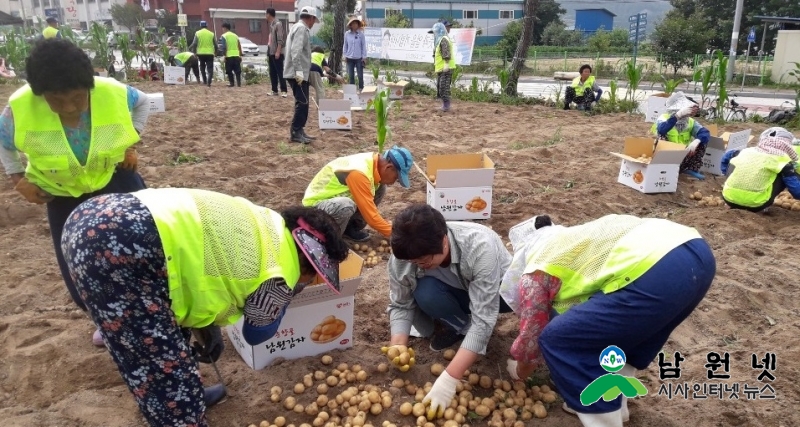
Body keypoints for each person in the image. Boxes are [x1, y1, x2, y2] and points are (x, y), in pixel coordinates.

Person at [60, 188, 350, 427]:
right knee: (163, 373)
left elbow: (205, 264)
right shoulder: (280, 273)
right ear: (306, 262)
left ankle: (191, 393)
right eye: (314, 276)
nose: (310, 283)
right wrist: (287, 299)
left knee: (159, 332)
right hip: (123, 247)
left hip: (98, 214)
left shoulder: (267, 222)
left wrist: (206, 326)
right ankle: (184, 416)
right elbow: (257, 333)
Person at [500, 214, 715, 427]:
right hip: (696, 252)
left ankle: (604, 419)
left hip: (657, 271)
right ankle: (617, 407)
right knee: (625, 331)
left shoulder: (536, 271)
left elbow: (533, 334)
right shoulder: (572, 241)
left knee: (559, 340)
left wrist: (519, 371)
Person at [0, 39, 149, 346]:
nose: (69, 107)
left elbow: (144, 102)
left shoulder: (112, 91)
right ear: (41, 94)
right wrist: (17, 178)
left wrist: (131, 143)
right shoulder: (19, 108)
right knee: (78, 267)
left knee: (143, 246)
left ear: (89, 87)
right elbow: (4, 143)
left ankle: (147, 311)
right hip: (61, 192)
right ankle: (105, 320)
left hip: (113, 176)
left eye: (77, 99)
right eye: (57, 100)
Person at [385, 204, 513, 419]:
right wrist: (398, 345)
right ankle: (458, 325)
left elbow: (484, 320)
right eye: (413, 262)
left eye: (424, 260)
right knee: (425, 293)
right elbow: (400, 303)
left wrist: (448, 380)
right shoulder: (405, 256)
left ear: (444, 240)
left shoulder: (479, 245)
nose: (419, 264)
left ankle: (464, 330)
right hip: (454, 292)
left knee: (482, 321)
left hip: (500, 294)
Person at [302, 146, 414, 241]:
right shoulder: (360, 173)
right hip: (314, 210)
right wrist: (398, 235)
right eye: (396, 178)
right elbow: (371, 217)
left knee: (380, 188)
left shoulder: (373, 162)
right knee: (345, 205)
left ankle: (350, 228)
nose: (394, 182)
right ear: (388, 167)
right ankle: (330, 242)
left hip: (333, 201)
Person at [720, 127, 800, 212]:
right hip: (757, 204)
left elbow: (726, 156)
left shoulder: (744, 152)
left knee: (738, 163)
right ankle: (763, 207)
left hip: (728, 198)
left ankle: (733, 198)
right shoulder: (782, 161)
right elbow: (797, 193)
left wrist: (726, 173)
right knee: (786, 172)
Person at [651, 91, 711, 180]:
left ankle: (690, 169)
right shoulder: (664, 118)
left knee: (702, 140)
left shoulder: (690, 122)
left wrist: (696, 141)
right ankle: (663, 168)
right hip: (667, 156)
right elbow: (661, 130)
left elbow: (705, 132)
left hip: (684, 155)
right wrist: (677, 116)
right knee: (661, 137)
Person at [284, 6, 320, 144]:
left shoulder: (296, 27)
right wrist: (299, 72)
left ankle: (300, 131)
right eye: (313, 20)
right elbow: (296, 51)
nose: (312, 24)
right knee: (302, 102)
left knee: (303, 101)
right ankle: (295, 131)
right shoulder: (301, 29)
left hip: (297, 72)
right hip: (296, 73)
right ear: (310, 18)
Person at [429, 22, 455, 112]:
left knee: (444, 88)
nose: (434, 34)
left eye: (435, 32)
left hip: (446, 68)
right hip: (441, 69)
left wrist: (446, 64)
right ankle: (444, 105)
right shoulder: (439, 41)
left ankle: (446, 106)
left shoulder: (443, 39)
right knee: (440, 88)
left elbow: (446, 53)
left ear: (439, 31)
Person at [266, 8, 288, 97]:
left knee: (280, 72)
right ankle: (274, 90)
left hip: (277, 52)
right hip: (271, 52)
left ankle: (284, 90)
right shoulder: (272, 25)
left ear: (269, 14)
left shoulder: (278, 24)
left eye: (266, 14)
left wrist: (278, 51)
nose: (265, 16)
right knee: (272, 72)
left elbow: (280, 39)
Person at [188, 21, 218, 86]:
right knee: (210, 68)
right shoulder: (211, 34)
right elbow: (216, 45)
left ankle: (204, 81)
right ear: (206, 26)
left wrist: (190, 49)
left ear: (200, 26)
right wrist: (216, 52)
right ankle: (209, 81)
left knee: (202, 67)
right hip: (210, 53)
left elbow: (194, 43)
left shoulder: (197, 33)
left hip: (201, 53)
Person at [343, 16, 367, 91]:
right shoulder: (347, 34)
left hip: (359, 58)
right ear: (350, 25)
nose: (354, 25)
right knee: (351, 76)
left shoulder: (361, 35)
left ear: (358, 25)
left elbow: (363, 46)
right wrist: (345, 55)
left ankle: (361, 89)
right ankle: (352, 91)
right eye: (353, 24)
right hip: (349, 58)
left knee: (360, 75)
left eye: (356, 23)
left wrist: (364, 57)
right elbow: (345, 45)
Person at [219, 22, 243, 87]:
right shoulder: (235, 35)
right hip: (236, 55)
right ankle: (239, 83)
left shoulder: (224, 36)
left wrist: (224, 55)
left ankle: (232, 83)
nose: (222, 30)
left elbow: (224, 47)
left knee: (229, 70)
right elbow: (239, 45)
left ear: (225, 28)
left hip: (229, 55)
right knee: (237, 70)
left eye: (222, 28)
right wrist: (240, 55)